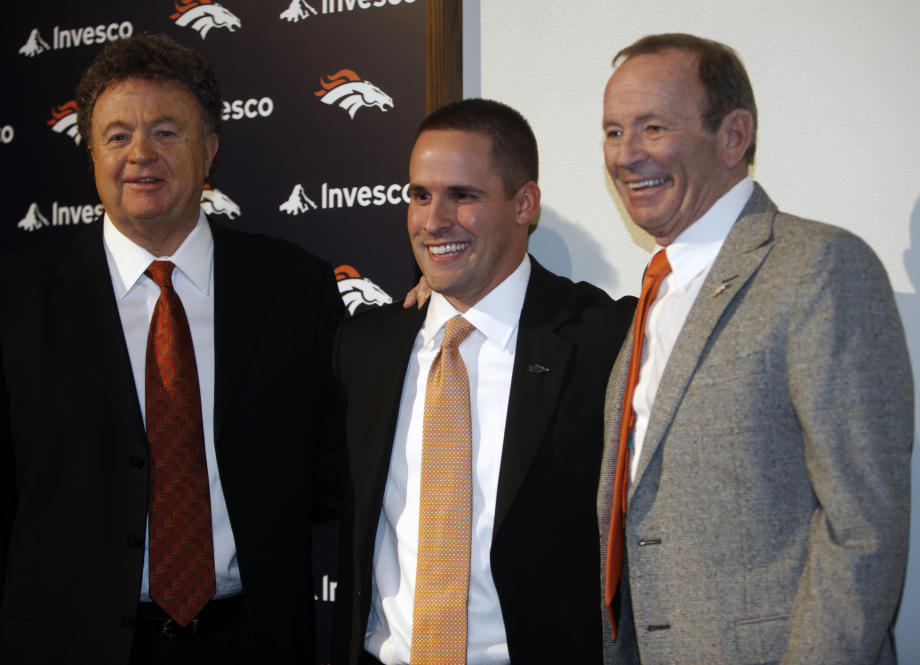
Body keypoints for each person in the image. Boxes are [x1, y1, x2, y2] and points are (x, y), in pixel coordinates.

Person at [0, 33, 343, 665]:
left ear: (209, 150)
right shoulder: (10, 301)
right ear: (91, 155)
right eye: (117, 136)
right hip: (72, 644)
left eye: (167, 131)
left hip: (253, 640)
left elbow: (336, 473)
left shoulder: (296, 289)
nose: (140, 154)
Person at [596, 33, 913, 665]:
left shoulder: (819, 268)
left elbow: (862, 528)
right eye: (611, 132)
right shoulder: (653, 297)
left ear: (733, 136)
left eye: (652, 127)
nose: (626, 155)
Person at [332, 98, 635, 665]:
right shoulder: (367, 347)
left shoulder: (605, 341)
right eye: (420, 195)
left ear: (524, 204)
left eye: (462, 196)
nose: (432, 220)